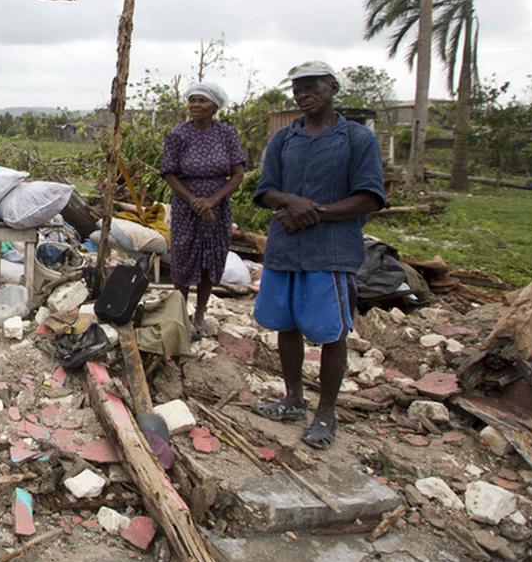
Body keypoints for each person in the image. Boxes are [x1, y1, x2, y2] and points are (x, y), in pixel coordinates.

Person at [251, 61, 385, 450]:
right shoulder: (284, 139)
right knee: (286, 325)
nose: (302, 95)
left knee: (331, 332)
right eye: (297, 89)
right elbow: (265, 191)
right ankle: (293, 399)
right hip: (285, 247)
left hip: (330, 251)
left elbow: (370, 197)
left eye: (311, 87)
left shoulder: (356, 139)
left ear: (332, 88)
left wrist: (315, 212)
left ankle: (326, 412)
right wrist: (290, 201)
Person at [161, 81, 246, 340]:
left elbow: (238, 173)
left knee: (211, 259)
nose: (196, 105)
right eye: (192, 100)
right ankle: (180, 314)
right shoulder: (178, 135)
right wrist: (195, 201)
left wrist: (212, 201)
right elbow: (169, 172)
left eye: (202, 100)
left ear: (215, 106)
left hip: (217, 206)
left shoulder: (226, 134)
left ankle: (200, 313)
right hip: (186, 206)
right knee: (184, 258)